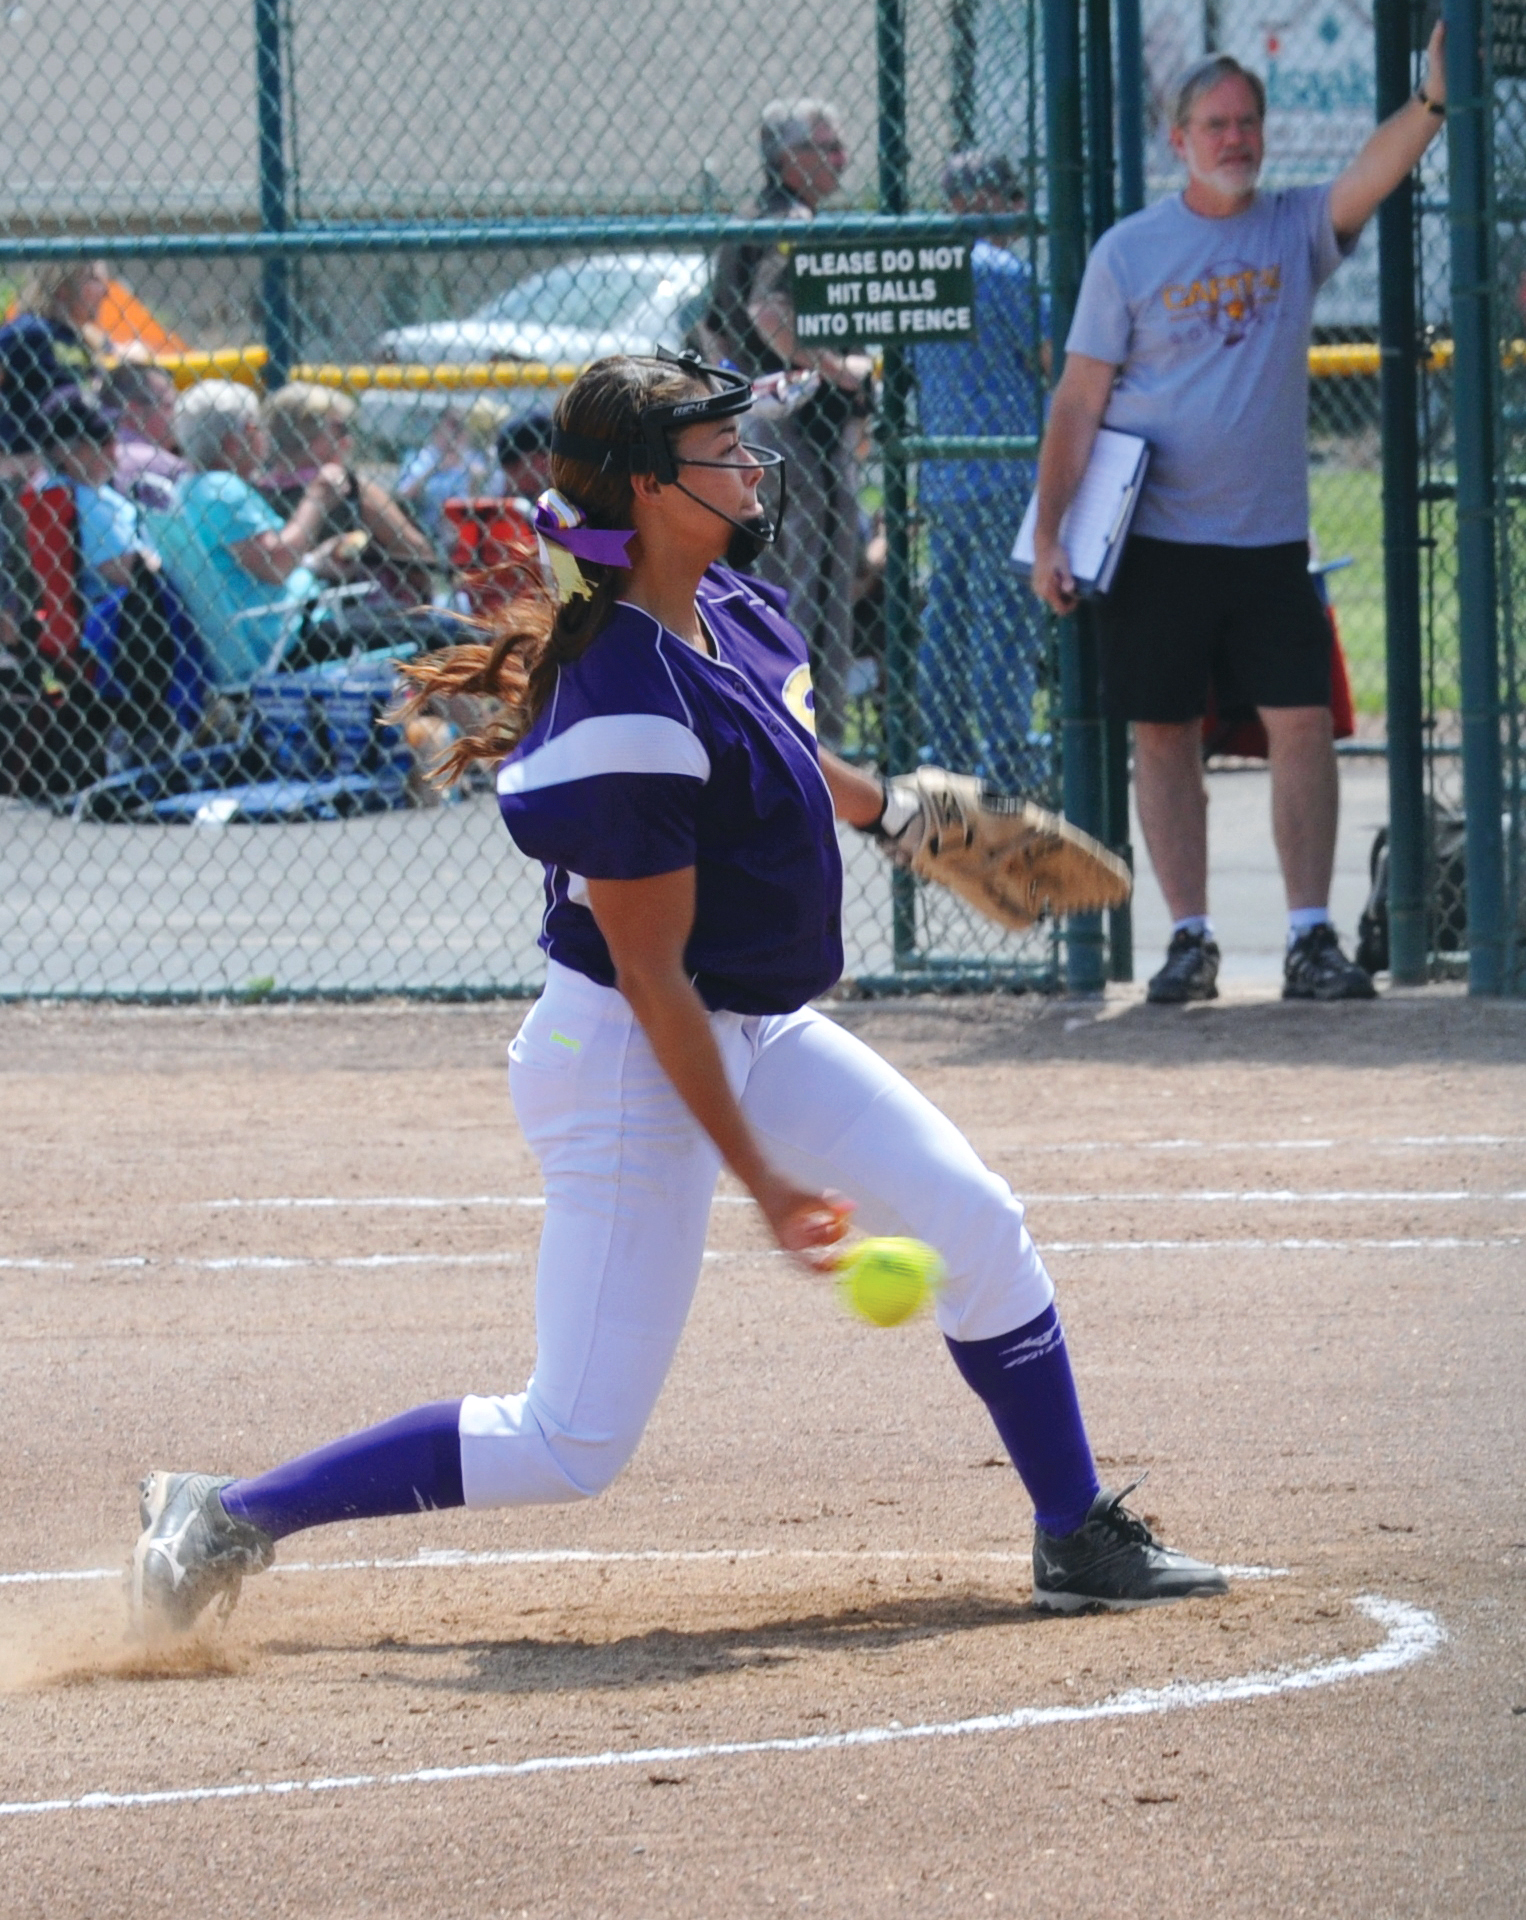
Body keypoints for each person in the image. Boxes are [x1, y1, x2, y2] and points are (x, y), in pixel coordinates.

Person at [128, 349, 1227, 1636]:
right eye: (718, 449)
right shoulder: (617, 706)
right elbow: (651, 982)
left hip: (751, 1023)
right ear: (650, 489)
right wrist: (764, 1183)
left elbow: (775, 748)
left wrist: (901, 813)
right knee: (570, 1440)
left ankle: (1072, 1532)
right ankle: (223, 1516)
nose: (747, 463)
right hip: (626, 1058)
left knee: (975, 1222)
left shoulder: (736, 611)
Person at [1031, 26, 1451, 1003]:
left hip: (1266, 543)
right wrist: (1050, 534)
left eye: (1246, 124)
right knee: (1162, 732)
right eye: (1215, 125)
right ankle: (1188, 939)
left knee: (1302, 723)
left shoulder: (1291, 229)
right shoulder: (1127, 252)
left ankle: (1309, 938)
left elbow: (1369, 176)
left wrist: (1429, 103)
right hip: (1154, 544)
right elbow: (1076, 402)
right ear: (1177, 140)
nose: (1234, 139)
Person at [696, 98, 873, 748]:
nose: (841, 159)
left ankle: (782, 733)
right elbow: (767, 309)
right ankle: (800, 739)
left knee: (777, 588)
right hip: (794, 431)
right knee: (808, 592)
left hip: (756, 430)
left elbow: (720, 321)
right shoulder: (790, 223)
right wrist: (835, 368)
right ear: (787, 159)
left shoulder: (754, 221)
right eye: (826, 148)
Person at [911, 151, 1050, 795]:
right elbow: (1052, 359)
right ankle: (1006, 759)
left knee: (951, 616)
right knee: (1005, 625)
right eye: (1007, 195)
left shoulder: (928, 270)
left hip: (947, 475)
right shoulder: (1007, 273)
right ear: (979, 202)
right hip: (1010, 475)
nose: (1019, 207)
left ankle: (945, 749)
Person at [148, 380, 361, 687]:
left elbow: (245, 566)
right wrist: (318, 496)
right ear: (242, 437)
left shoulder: (191, 489)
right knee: (432, 634)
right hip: (287, 636)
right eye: (258, 427)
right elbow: (275, 565)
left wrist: (313, 563)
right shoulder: (223, 489)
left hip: (270, 627)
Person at [260, 381, 436, 607]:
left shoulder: (258, 490)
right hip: (357, 619)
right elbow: (419, 555)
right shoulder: (350, 489)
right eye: (341, 429)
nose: (348, 440)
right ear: (309, 436)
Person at [0, 260, 109, 458]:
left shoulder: (81, 340)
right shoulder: (30, 331)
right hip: (24, 459)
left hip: (74, 460)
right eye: (94, 279)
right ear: (63, 286)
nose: (106, 291)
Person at [99, 361, 191, 513]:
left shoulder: (90, 457)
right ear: (135, 411)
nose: (178, 414)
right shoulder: (166, 466)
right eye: (169, 405)